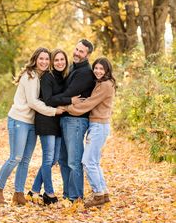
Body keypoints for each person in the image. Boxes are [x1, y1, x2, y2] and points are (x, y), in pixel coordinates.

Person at [0, 47, 65, 205]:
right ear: (35, 59)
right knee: (15, 157)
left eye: (47, 59)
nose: (44, 61)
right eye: (41, 58)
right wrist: (54, 111)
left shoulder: (42, 76)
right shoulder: (30, 75)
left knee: (25, 160)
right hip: (19, 119)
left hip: (32, 123)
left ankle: (18, 194)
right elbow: (33, 102)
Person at [66, 57, 116, 208]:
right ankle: (103, 193)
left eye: (102, 69)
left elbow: (88, 103)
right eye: (96, 68)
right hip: (98, 125)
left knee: (87, 161)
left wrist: (67, 107)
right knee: (93, 161)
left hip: (99, 126)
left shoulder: (105, 85)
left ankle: (98, 194)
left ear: (107, 71)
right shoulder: (102, 83)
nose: (98, 71)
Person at [51, 39, 95, 202]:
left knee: (73, 161)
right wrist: (62, 98)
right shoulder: (72, 68)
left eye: (81, 51)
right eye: (76, 49)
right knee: (62, 160)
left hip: (76, 121)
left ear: (88, 55)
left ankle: (76, 196)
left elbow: (67, 94)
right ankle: (68, 194)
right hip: (65, 119)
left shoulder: (85, 73)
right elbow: (65, 94)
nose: (77, 53)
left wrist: (51, 99)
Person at [28, 49, 69, 205]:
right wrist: (68, 100)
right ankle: (49, 193)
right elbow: (48, 100)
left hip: (57, 121)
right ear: (52, 62)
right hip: (46, 120)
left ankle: (34, 190)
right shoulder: (47, 77)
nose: (59, 62)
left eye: (62, 60)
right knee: (48, 159)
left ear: (66, 62)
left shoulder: (62, 78)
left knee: (53, 160)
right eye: (56, 60)